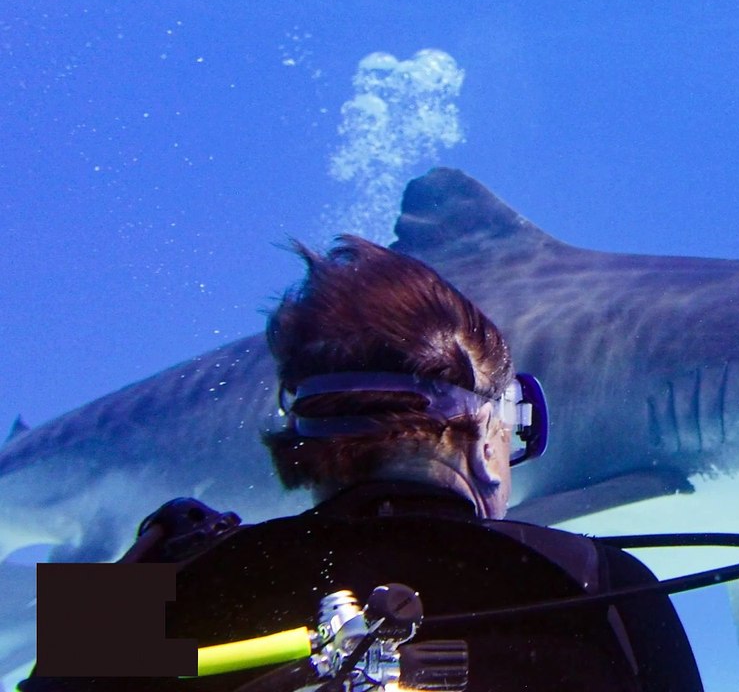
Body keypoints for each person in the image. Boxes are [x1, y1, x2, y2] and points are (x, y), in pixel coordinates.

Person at [23, 235, 703, 691]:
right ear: (488, 441)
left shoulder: (164, 580)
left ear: (300, 440)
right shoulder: (607, 586)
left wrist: (141, 573)